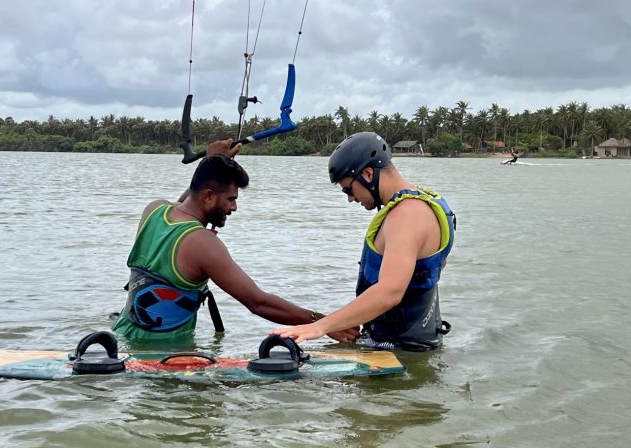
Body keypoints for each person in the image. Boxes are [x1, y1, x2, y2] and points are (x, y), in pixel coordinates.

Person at [113, 139, 357, 343]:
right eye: (230, 199)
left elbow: (187, 203)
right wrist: (323, 324)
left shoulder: (155, 210)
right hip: (163, 352)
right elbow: (258, 302)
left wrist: (209, 163)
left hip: (124, 335)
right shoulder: (203, 243)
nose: (234, 207)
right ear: (209, 196)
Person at [271, 132, 456, 351]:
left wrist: (318, 327)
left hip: (399, 352)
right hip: (415, 343)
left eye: (348, 189)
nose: (350, 198)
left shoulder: (407, 215)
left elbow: (390, 292)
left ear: (368, 173)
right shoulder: (429, 202)